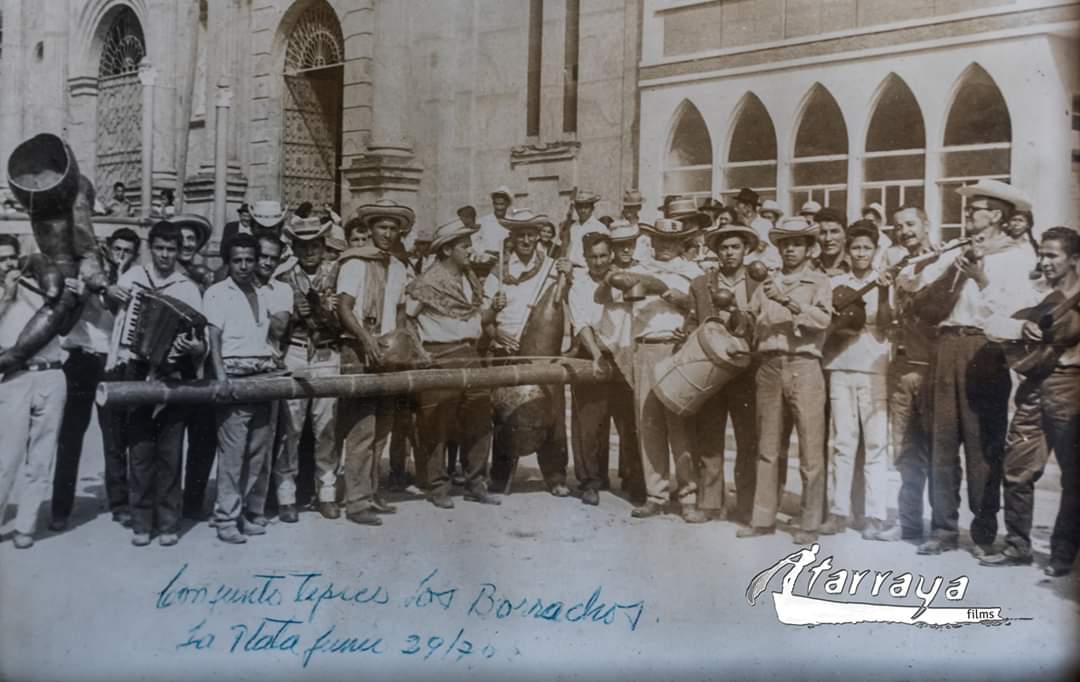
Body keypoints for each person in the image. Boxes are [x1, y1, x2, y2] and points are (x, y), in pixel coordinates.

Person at [896, 179, 1035, 556]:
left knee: (983, 444)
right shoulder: (954, 250)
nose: (968, 214)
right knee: (941, 441)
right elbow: (914, 289)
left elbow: (1013, 310)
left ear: (997, 215)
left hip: (985, 348)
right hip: (944, 346)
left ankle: (984, 527)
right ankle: (943, 528)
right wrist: (942, 265)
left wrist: (980, 276)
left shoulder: (1018, 257)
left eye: (975, 209)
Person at [979, 226, 1080, 575]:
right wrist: (1021, 329)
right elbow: (993, 323)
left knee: (1073, 475)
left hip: (1072, 387)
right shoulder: (1037, 293)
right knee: (1017, 469)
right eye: (1043, 254)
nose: (1045, 261)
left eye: (1053, 255)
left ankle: (1063, 553)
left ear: (1074, 259)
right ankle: (1018, 545)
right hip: (1034, 386)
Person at [106, 222, 206, 547]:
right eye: (160, 249)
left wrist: (192, 348)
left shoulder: (188, 287)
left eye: (171, 249)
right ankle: (140, 522)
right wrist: (109, 292)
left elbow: (199, 340)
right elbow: (112, 309)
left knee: (170, 452)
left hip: (173, 374)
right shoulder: (134, 277)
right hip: (135, 368)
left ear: (179, 252)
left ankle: (168, 522)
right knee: (139, 449)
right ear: (151, 249)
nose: (165, 255)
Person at [601, 218, 704, 522]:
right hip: (644, 347)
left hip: (676, 350)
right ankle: (655, 494)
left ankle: (688, 495)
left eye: (671, 241)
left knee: (679, 425)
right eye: (658, 240)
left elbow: (698, 309)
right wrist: (618, 278)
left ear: (681, 243)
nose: (664, 246)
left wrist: (664, 289)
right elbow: (607, 290)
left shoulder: (692, 272)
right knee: (648, 425)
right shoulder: (640, 269)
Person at [737, 217, 831, 544]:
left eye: (797, 243)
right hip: (770, 366)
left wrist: (787, 301)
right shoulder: (766, 284)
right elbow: (750, 322)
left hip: (804, 364)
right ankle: (762, 518)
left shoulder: (819, 282)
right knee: (767, 446)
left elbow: (821, 321)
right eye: (785, 243)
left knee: (810, 447)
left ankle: (809, 523)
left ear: (808, 248)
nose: (790, 249)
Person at [404, 218, 500, 508]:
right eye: (464, 245)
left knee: (480, 419)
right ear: (447, 250)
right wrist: (420, 353)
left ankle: (475, 483)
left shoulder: (470, 280)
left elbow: (473, 319)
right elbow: (406, 318)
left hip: (471, 355)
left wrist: (493, 310)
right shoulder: (426, 283)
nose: (470, 250)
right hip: (440, 356)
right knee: (437, 424)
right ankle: (437, 486)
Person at [50, 228, 140, 531]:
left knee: (114, 437)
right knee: (70, 437)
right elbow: (63, 328)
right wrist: (86, 292)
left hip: (110, 362)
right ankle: (60, 509)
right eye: (117, 249)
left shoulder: (134, 279)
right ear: (106, 249)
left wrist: (117, 284)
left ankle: (120, 504)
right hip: (79, 359)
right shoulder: (80, 276)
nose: (121, 255)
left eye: (127, 251)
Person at [204, 233, 289, 544]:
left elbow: (270, 335)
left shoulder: (263, 292)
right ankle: (225, 518)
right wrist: (221, 376)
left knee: (257, 452)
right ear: (229, 261)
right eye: (237, 260)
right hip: (234, 376)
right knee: (233, 453)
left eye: (249, 260)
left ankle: (244, 513)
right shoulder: (217, 293)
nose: (243, 266)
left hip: (263, 376)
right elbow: (213, 338)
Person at [335, 200, 414, 526]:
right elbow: (344, 307)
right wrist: (366, 340)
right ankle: (355, 501)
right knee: (362, 429)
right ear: (370, 230)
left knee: (383, 427)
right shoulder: (354, 263)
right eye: (382, 227)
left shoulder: (398, 266)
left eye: (393, 228)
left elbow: (398, 312)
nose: (387, 233)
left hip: (389, 352)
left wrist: (405, 345)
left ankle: (372, 490)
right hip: (359, 350)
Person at [484, 208, 571, 496]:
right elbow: (483, 319)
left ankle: (556, 476)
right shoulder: (497, 271)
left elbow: (562, 301)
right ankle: (500, 477)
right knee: (504, 413)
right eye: (520, 233)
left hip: (541, 351)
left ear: (538, 238)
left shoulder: (550, 268)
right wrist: (497, 332)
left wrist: (565, 276)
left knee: (552, 411)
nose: (525, 239)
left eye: (531, 234)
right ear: (512, 236)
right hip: (505, 350)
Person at [684, 223, 760, 523]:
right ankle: (710, 503)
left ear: (745, 250)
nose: (729, 253)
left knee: (747, 438)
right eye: (724, 248)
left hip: (747, 370)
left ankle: (746, 504)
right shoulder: (701, 284)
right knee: (709, 436)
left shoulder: (759, 283)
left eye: (735, 247)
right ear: (716, 252)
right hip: (711, 369)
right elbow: (690, 324)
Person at [821, 220, 891, 540]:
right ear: (847, 252)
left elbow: (889, 323)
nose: (861, 253)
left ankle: (876, 514)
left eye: (867, 248)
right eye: (856, 248)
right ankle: (839, 511)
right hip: (840, 365)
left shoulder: (885, 280)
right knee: (842, 442)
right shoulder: (835, 281)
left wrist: (887, 290)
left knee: (875, 443)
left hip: (874, 366)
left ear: (875, 251)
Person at [0, 235, 68, 549]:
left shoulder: (38, 283)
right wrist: (6, 296)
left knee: (41, 457)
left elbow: (64, 323)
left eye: (11, 258)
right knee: (7, 458)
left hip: (51, 373)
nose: (7, 265)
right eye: (0, 260)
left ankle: (25, 526)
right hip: (15, 378)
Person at [273, 216, 342, 522]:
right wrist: (293, 317)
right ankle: (286, 494)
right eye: (303, 246)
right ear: (295, 248)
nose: (310, 251)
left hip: (327, 354)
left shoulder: (337, 275)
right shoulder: (283, 278)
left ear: (323, 245)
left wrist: (333, 312)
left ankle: (327, 491)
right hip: (297, 353)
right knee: (291, 426)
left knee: (326, 426)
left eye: (315, 244)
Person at [877, 205, 937, 542]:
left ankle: (942, 526)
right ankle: (909, 521)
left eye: (911, 224)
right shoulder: (898, 266)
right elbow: (885, 325)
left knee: (936, 451)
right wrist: (884, 288)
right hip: (900, 367)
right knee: (903, 449)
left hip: (932, 367)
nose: (905, 231)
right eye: (899, 226)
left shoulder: (942, 261)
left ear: (926, 225)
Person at [567, 232, 625, 504]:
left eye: (603, 255)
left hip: (621, 354)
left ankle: (631, 477)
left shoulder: (624, 278)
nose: (599, 262)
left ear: (611, 255)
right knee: (588, 422)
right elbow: (581, 324)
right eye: (593, 257)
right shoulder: (579, 285)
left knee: (626, 420)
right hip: (590, 351)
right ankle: (589, 481)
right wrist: (595, 356)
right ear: (586, 258)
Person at [563, 190, 609, 269]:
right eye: (580, 207)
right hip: (570, 269)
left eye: (586, 207)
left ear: (592, 208)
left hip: (588, 269)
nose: (583, 210)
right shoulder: (573, 227)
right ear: (576, 209)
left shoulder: (600, 227)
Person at [473, 186, 514, 273]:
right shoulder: (483, 221)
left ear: (507, 204)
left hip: (506, 266)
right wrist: (484, 252)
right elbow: (473, 242)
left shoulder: (513, 222)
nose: (499, 207)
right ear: (493, 204)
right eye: (496, 204)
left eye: (502, 204)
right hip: (485, 266)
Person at [814, 208, 850, 275]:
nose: (828, 238)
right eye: (823, 233)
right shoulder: (809, 267)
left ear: (846, 234)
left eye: (834, 232)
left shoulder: (857, 266)